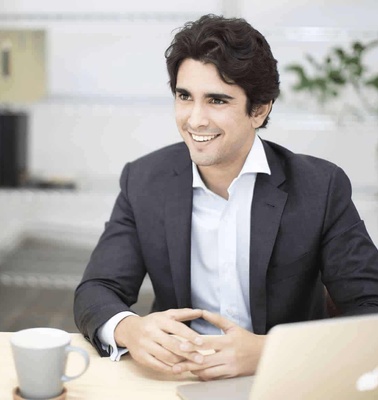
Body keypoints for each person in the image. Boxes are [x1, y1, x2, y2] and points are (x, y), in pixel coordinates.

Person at [74, 14, 378, 381]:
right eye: (185, 96)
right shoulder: (144, 180)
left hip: (285, 377)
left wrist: (268, 352)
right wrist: (130, 329)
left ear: (260, 109)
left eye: (217, 100)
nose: (195, 119)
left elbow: (369, 309)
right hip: (177, 378)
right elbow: (97, 290)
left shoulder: (319, 186)